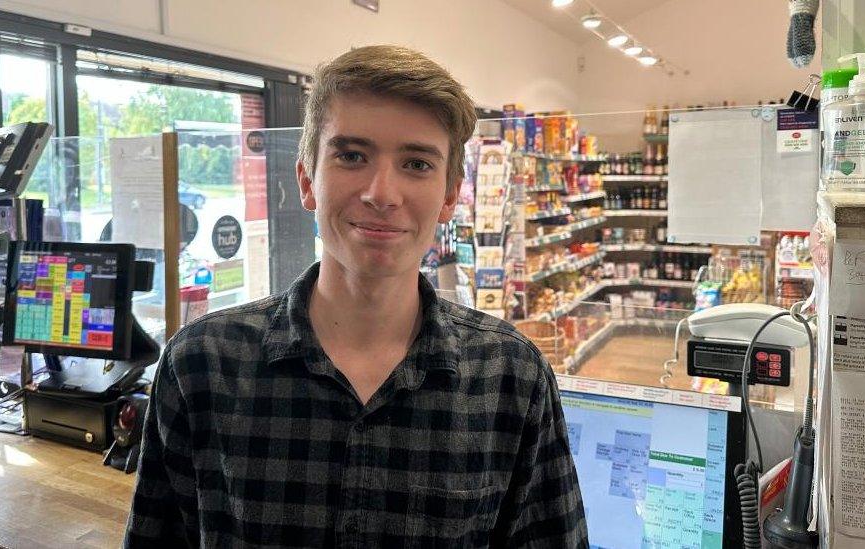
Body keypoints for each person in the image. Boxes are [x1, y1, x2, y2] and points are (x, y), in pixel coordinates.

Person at [124, 44, 588, 548]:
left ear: (451, 197)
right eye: (352, 156)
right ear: (307, 180)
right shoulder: (201, 365)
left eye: (416, 163)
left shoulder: (512, 379)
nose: (381, 194)